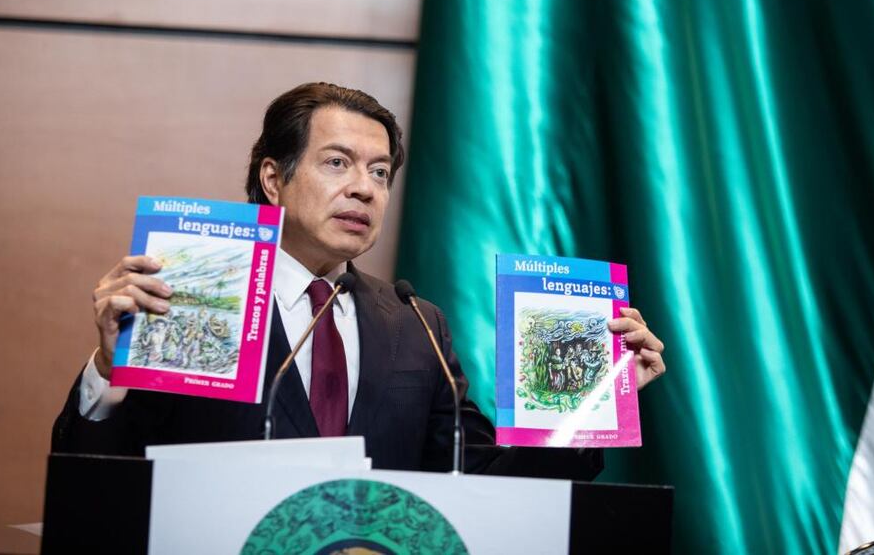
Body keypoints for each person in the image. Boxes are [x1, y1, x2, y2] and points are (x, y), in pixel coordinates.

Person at [51, 82, 666, 477]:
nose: (364, 188)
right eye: (337, 163)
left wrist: (594, 399)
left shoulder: (415, 322)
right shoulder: (191, 296)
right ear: (273, 179)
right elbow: (102, 475)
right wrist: (110, 372)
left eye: (380, 172)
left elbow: (475, 474)